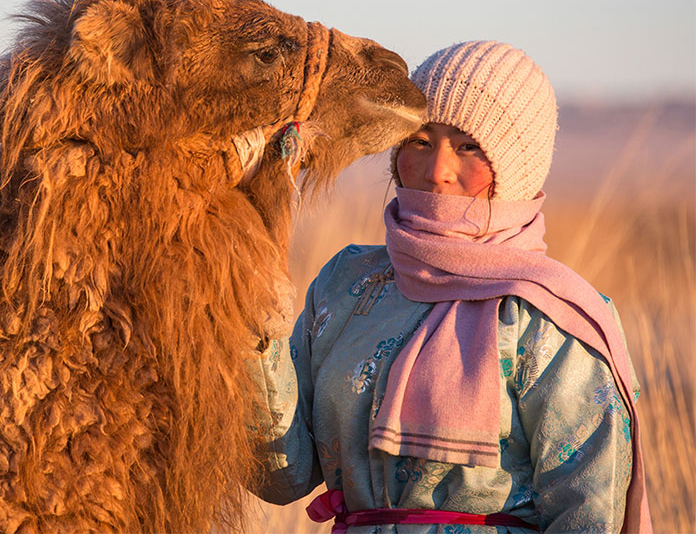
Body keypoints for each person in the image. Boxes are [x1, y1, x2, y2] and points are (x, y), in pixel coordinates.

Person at [247, 41, 652, 533]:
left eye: (468, 147)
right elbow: (282, 477)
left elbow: (590, 515)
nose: (437, 170)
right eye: (419, 139)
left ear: (515, 167)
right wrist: (254, 320)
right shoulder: (345, 285)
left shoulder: (549, 317)